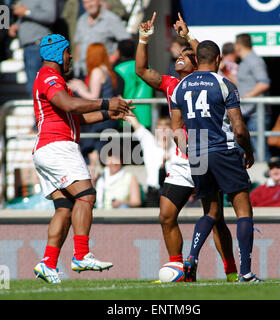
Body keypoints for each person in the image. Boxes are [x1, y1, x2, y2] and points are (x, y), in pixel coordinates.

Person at [136, 12, 238, 282]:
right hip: (183, 161)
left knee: (215, 218)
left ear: (197, 65)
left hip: (208, 155)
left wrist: (189, 37)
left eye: (186, 54)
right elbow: (142, 71)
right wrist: (143, 39)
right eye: (178, 54)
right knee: (166, 216)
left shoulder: (208, 82)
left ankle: (231, 272)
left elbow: (209, 60)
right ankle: (180, 270)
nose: (179, 56)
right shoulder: (172, 84)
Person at [31, 34, 134, 284]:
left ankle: (48, 262)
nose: (70, 58)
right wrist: (107, 101)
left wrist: (111, 112)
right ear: (57, 53)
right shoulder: (49, 76)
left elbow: (77, 117)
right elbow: (70, 105)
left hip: (48, 148)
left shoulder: (51, 79)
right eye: (67, 52)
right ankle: (81, 255)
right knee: (86, 195)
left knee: (65, 209)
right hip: (57, 147)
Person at [171, 39, 262, 282]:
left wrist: (190, 152)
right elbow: (239, 128)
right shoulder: (224, 84)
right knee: (243, 210)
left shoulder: (180, 87)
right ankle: (246, 273)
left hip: (197, 152)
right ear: (219, 59)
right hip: (224, 149)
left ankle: (191, 257)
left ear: (197, 60)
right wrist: (249, 152)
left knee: (210, 211)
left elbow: (176, 130)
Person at [68, 43, 118, 164]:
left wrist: (79, 89)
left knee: (89, 148)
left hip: (101, 118)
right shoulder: (107, 70)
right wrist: (82, 86)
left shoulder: (97, 71)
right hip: (109, 116)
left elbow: (94, 97)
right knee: (103, 150)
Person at [8, 0, 57, 97]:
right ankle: (38, 111)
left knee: (41, 87)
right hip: (28, 47)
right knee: (33, 87)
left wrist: (27, 12)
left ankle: (43, 111)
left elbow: (51, 16)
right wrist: (17, 25)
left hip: (39, 46)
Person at [126, 115, 176, 207]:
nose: (164, 128)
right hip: (153, 192)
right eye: (161, 125)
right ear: (156, 128)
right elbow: (135, 124)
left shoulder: (176, 145)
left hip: (172, 191)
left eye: (167, 125)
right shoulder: (149, 141)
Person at [234, 33, 271, 159]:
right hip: (247, 113)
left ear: (238, 46)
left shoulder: (254, 61)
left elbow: (264, 83)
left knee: (260, 151)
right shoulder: (245, 62)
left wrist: (245, 98)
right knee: (248, 147)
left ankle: (265, 175)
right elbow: (243, 82)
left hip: (256, 114)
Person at [74, 0, 130, 78]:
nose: (89, 5)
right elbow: (78, 44)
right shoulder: (81, 20)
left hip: (103, 74)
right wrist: (77, 65)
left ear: (100, 1)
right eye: (85, 3)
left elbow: (126, 41)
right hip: (83, 72)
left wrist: (112, 59)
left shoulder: (111, 19)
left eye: (91, 1)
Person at [114, 39, 154, 129]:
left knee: (126, 143)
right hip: (146, 117)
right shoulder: (147, 67)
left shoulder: (118, 69)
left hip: (126, 118)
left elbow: (117, 93)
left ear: (118, 52)